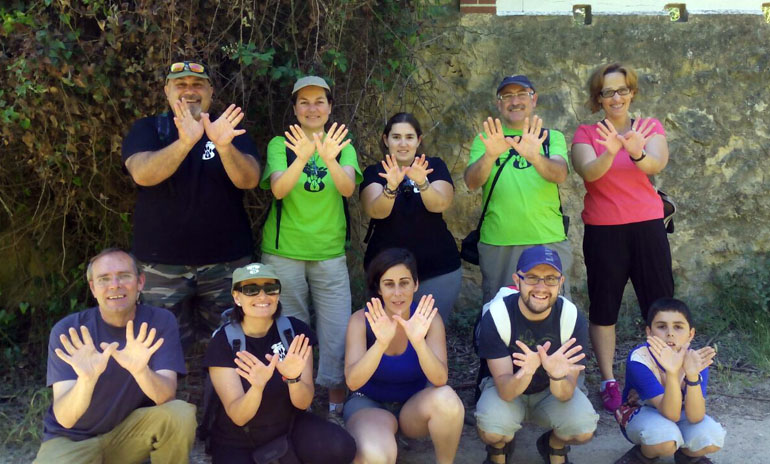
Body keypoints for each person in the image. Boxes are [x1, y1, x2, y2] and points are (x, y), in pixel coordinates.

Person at [121, 59, 261, 351]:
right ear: (167, 91)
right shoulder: (149, 129)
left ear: (210, 91)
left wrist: (222, 146)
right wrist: (185, 142)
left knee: (232, 348)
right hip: (161, 265)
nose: (189, 90)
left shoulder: (229, 129)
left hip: (226, 263)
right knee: (162, 350)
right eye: (180, 85)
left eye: (197, 84)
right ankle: (170, 396)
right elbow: (143, 174)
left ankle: (224, 396)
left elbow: (249, 179)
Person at [571, 62, 674, 412]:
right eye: (607, 92)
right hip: (604, 230)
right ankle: (609, 380)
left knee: (659, 304)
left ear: (632, 92)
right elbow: (589, 171)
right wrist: (610, 151)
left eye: (621, 90)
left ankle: (663, 371)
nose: (615, 97)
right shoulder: (586, 133)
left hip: (647, 226)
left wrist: (636, 151)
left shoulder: (649, 127)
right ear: (597, 98)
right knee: (604, 308)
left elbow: (656, 164)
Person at [259, 75, 362, 416]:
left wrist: (328, 156)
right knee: (291, 327)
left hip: (329, 252)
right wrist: (302, 157)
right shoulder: (280, 145)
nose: (312, 108)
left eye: (320, 101)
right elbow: (278, 189)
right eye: (304, 101)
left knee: (336, 328)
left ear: (330, 107)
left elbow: (347, 189)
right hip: (284, 252)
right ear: (295, 108)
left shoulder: (342, 144)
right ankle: (296, 401)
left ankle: (335, 402)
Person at [34, 248, 195, 463]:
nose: (114, 285)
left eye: (124, 276)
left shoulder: (160, 321)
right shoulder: (69, 330)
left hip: (129, 437)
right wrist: (86, 380)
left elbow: (165, 397)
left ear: (140, 282)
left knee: (180, 414)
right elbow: (65, 418)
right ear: (93, 288)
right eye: (104, 279)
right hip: (72, 440)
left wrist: (141, 371)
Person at [202, 262, 356, 464]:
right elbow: (238, 417)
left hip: (287, 428)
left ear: (278, 294)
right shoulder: (223, 342)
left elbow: (303, 403)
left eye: (270, 288)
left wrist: (293, 379)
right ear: (237, 297)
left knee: (340, 446)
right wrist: (257, 387)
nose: (262, 296)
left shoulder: (294, 332)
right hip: (238, 438)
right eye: (251, 290)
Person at [475, 246, 598, 464]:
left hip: (549, 391)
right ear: (517, 280)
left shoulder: (571, 318)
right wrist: (527, 371)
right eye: (531, 277)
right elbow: (504, 390)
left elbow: (566, 394)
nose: (541, 287)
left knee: (583, 428)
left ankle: (554, 445)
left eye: (550, 279)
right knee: (493, 430)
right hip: (508, 389)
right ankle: (499, 449)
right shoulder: (498, 315)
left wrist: (557, 376)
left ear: (561, 282)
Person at [343, 248, 464, 464]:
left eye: (404, 282)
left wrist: (418, 342)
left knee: (448, 400)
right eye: (389, 284)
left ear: (416, 284)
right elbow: (353, 382)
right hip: (369, 404)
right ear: (379, 288)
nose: (397, 292)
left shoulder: (429, 320)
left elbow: (439, 379)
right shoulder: (360, 321)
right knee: (375, 456)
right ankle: (380, 439)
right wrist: (380, 344)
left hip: (413, 407)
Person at [464, 74, 572, 305]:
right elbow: (472, 182)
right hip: (499, 241)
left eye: (522, 94)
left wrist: (535, 156)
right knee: (500, 309)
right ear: (499, 103)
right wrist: (490, 155)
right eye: (508, 96)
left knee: (552, 308)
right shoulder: (486, 139)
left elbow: (560, 174)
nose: (515, 101)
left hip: (547, 238)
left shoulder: (551, 137)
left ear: (534, 100)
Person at [360, 112, 461, 322]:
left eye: (409, 137)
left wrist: (422, 182)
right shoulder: (375, 172)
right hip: (387, 274)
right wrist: (391, 186)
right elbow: (376, 210)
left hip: (438, 270)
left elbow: (440, 204)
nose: (403, 143)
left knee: (431, 332)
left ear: (419, 140)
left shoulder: (434, 167)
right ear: (386, 140)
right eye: (396, 137)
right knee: (388, 335)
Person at [614, 298, 724, 464]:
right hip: (644, 415)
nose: (670, 333)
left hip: (682, 415)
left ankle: (687, 455)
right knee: (663, 438)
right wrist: (672, 373)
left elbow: (696, 416)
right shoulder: (640, 359)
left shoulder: (694, 359)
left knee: (712, 436)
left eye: (678, 327)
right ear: (649, 332)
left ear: (691, 334)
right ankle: (643, 455)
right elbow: (671, 414)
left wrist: (692, 375)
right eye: (661, 326)